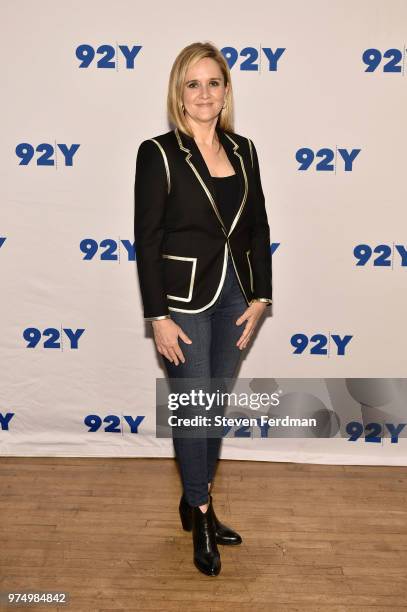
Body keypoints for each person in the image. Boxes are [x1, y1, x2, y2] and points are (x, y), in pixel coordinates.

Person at [134, 41, 272, 576]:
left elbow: (258, 225)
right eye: (193, 83)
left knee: (212, 406)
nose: (204, 93)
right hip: (183, 301)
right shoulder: (159, 152)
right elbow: (146, 240)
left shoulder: (244, 150)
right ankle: (203, 512)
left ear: (226, 90)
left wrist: (261, 295)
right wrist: (158, 315)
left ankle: (196, 499)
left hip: (236, 296)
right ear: (179, 92)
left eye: (214, 82)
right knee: (195, 409)